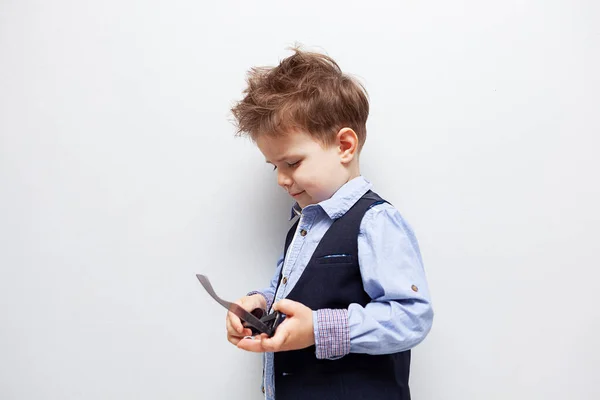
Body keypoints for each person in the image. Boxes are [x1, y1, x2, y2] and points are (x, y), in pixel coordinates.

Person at [225, 47, 433, 400]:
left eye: (292, 163)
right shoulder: (301, 226)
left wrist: (320, 330)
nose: (282, 179)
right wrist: (259, 306)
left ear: (344, 146)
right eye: (275, 167)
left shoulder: (376, 221)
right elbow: (285, 293)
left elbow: (411, 317)